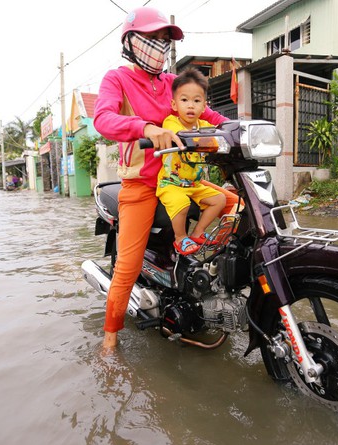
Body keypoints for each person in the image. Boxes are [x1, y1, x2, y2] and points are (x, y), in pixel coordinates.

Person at [93, 6, 240, 350]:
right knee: (127, 266)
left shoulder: (173, 84)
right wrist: (144, 127)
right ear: (131, 41)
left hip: (181, 180)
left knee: (236, 204)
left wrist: (238, 127)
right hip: (141, 186)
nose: (159, 47)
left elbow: (207, 113)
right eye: (152, 39)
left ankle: (204, 267)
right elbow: (104, 119)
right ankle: (110, 339)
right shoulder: (117, 79)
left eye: (164, 40)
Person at [157, 68, 226, 255]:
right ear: (174, 103)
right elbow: (180, 135)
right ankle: (180, 238)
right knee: (182, 203)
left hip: (194, 184)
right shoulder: (171, 122)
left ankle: (198, 231)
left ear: (204, 107)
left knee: (220, 199)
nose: (190, 106)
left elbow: (221, 133)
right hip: (171, 183)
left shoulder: (205, 126)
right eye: (184, 100)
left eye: (196, 101)